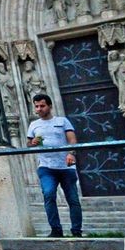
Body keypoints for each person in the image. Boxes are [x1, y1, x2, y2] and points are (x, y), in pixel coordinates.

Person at [27, 94, 82, 238]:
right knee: (49, 194)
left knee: (73, 199)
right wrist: (33, 143)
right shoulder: (34, 125)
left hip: (66, 166)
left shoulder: (62, 121)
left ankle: (77, 231)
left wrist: (71, 153)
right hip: (46, 166)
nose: (39, 109)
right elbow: (29, 143)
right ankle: (56, 230)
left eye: (42, 106)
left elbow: (72, 139)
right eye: (37, 106)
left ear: (50, 106)